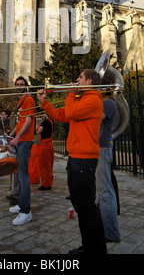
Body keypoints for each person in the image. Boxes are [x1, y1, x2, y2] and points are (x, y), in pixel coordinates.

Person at [37, 69, 107, 255]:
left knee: (87, 208)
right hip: (76, 157)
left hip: (84, 159)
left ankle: (97, 250)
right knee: (80, 206)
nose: (76, 80)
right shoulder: (81, 99)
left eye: (80, 78)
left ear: (89, 81)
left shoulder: (93, 99)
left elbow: (71, 111)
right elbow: (62, 115)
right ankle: (88, 246)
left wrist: (70, 92)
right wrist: (44, 103)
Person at [7, 76, 35, 226]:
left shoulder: (29, 99)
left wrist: (17, 138)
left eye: (22, 84)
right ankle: (20, 204)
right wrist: (11, 134)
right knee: (19, 173)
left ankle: (26, 210)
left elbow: (29, 121)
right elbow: (20, 122)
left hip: (25, 141)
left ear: (26, 86)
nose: (19, 86)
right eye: (17, 84)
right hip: (20, 140)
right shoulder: (20, 102)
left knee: (23, 175)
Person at [95, 98, 120, 242]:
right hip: (95, 149)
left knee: (105, 192)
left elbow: (95, 118)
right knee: (100, 191)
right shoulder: (98, 101)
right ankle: (103, 226)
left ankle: (111, 233)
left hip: (102, 149)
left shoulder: (108, 103)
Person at [36, 114, 54, 190]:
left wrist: (36, 124)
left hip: (45, 144)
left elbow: (38, 131)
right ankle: (48, 182)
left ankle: (46, 184)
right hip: (49, 144)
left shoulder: (46, 121)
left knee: (44, 165)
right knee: (49, 164)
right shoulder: (51, 121)